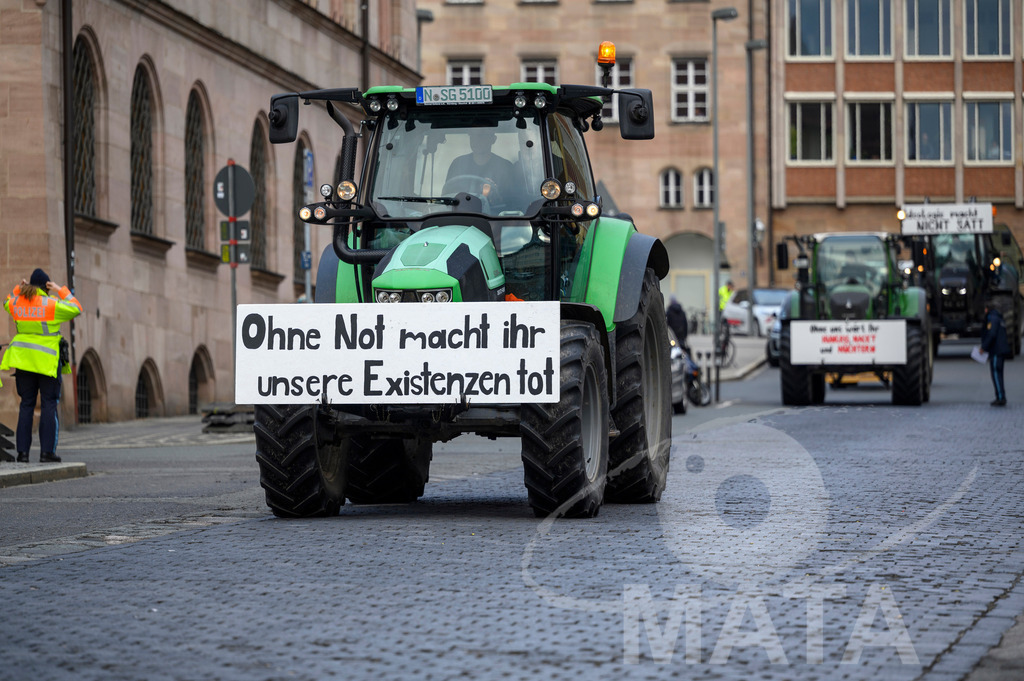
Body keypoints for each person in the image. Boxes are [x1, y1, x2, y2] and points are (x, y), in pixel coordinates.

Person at [1, 268, 83, 462]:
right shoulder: (51, 303)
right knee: (48, 405)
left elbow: (6, 302)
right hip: (46, 364)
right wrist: (60, 289)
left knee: (26, 405)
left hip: (24, 363)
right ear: (46, 287)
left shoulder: (17, 302)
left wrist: (18, 289)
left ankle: (22, 454)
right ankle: (47, 453)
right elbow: (77, 308)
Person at [445, 128, 517, 206]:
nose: (476, 139)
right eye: (472, 135)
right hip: (462, 215)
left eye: (481, 135)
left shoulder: (505, 167)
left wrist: (496, 195)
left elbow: (512, 203)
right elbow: (447, 197)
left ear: (493, 139)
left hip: (495, 216)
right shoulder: (458, 164)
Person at [980, 303, 1010, 406]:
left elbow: (991, 334)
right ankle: (1001, 396)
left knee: (996, 374)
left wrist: (984, 347)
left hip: (996, 351)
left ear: (987, 309)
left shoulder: (991, 318)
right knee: (999, 374)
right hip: (1001, 350)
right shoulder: (999, 318)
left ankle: (1000, 397)